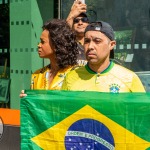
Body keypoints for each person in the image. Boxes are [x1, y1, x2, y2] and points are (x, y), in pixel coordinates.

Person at [61, 21, 146, 93]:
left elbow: (142, 111)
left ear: (112, 45)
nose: (90, 46)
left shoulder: (129, 78)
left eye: (97, 41)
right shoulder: (70, 78)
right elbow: (62, 110)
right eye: (87, 41)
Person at [20, 19, 78, 97]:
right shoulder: (37, 75)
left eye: (42, 42)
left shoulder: (76, 74)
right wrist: (27, 98)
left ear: (56, 44)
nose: (39, 45)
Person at [66, 0, 89, 66]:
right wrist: (71, 15)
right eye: (76, 21)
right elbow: (63, 34)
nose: (80, 23)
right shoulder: (68, 43)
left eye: (84, 20)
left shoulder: (93, 43)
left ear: (88, 24)